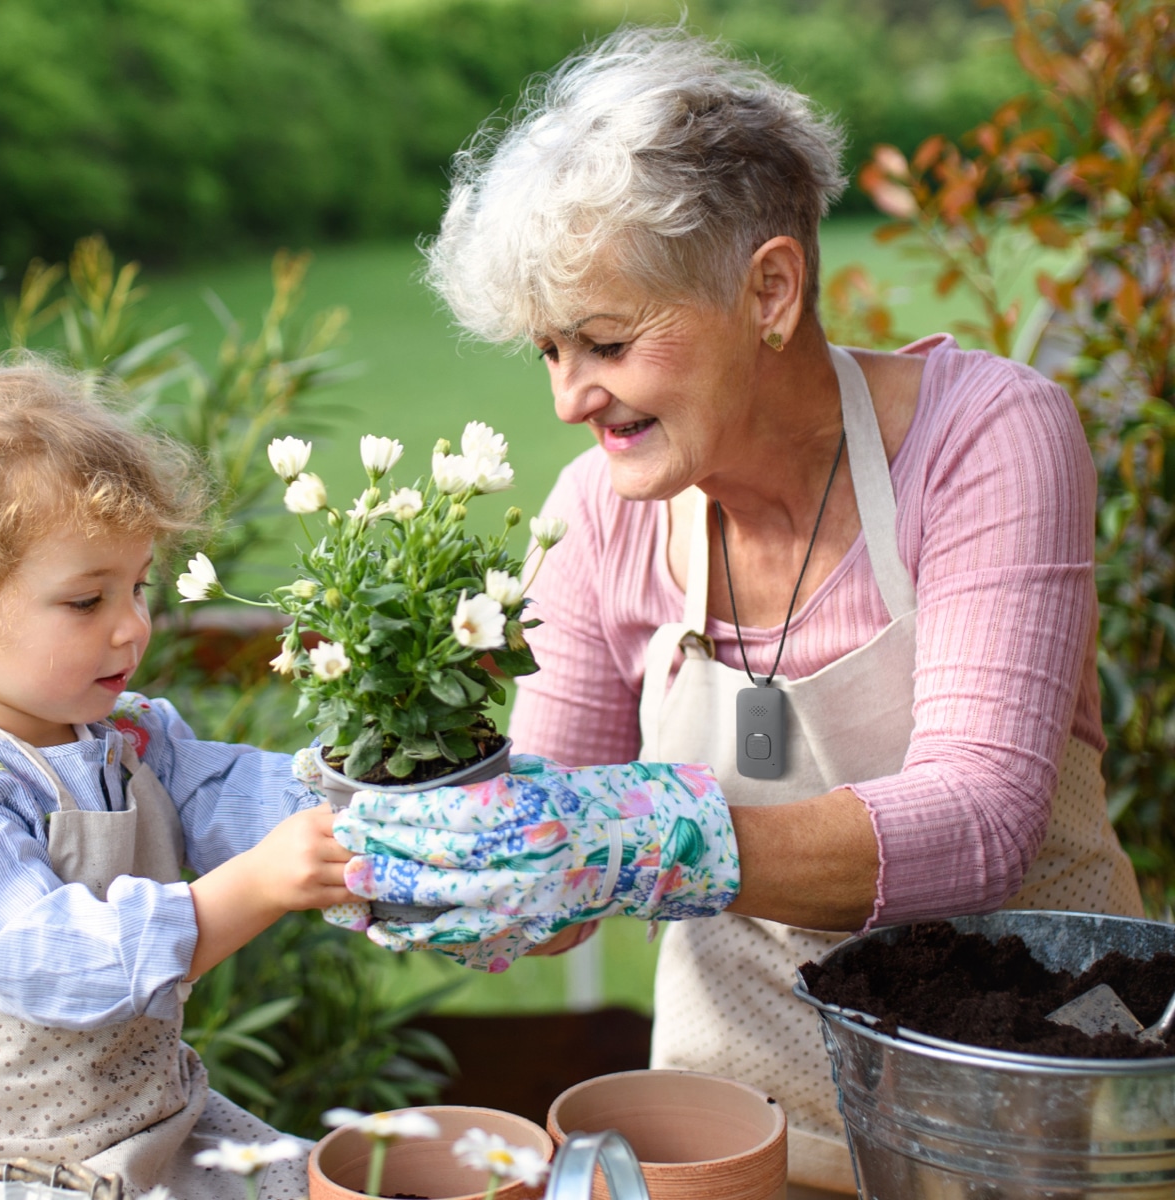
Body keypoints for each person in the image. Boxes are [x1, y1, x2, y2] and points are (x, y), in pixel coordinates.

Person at [333, 26, 1142, 1196]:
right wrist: (445, 874)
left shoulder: (984, 438)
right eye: (548, 351)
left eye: (606, 342)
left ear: (768, 288)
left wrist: (647, 839)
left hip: (1021, 1101)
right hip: (734, 1131)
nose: (569, 398)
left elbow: (980, 823)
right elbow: (554, 871)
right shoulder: (597, 516)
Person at [0, 349, 353, 1196]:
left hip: (140, 1134)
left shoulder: (126, 736)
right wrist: (254, 888)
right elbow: (57, 961)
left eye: (139, 586)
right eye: (87, 600)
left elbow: (239, 797)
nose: (134, 627)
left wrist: (376, 808)